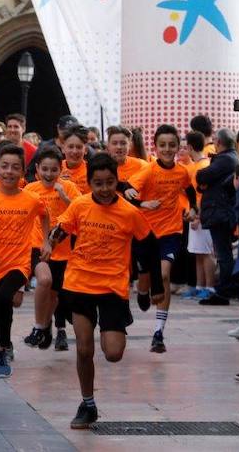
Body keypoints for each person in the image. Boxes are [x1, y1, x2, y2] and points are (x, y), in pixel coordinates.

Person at [42, 153, 161, 429]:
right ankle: (88, 404)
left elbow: (150, 246)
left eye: (109, 182)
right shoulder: (80, 205)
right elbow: (63, 227)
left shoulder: (130, 212)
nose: (104, 189)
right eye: (98, 183)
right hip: (79, 284)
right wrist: (51, 242)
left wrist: (154, 286)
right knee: (84, 349)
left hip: (112, 288)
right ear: (90, 183)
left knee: (113, 354)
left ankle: (111, 340)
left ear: (117, 181)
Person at [0, 143, 48, 380]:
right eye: (5, 166)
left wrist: (47, 242)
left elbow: (45, 215)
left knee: (5, 299)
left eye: (15, 167)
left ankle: (2, 349)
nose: (9, 171)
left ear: (23, 171)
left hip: (18, 264)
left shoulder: (32, 199)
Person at [124, 125, 197, 353]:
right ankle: (143, 291)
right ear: (155, 146)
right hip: (145, 233)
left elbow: (190, 190)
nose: (167, 149)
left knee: (164, 275)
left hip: (171, 232)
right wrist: (142, 203)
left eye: (171, 145)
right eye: (162, 145)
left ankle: (158, 332)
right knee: (145, 279)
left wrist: (193, 208)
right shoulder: (149, 170)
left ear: (178, 147)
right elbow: (127, 190)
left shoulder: (182, 171)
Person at [22, 148, 80, 351]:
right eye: (44, 169)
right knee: (44, 281)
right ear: (37, 169)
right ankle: (40, 326)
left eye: (53, 169)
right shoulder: (30, 189)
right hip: (37, 245)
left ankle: (45, 328)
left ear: (60, 168)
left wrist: (64, 197)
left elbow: (83, 212)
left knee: (54, 295)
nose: (49, 174)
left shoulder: (69, 187)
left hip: (64, 251)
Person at [197, 129, 239, 305]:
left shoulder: (225, 159)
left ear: (219, 142)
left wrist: (205, 182)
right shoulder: (232, 158)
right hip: (221, 211)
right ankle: (224, 289)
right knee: (223, 253)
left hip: (219, 212)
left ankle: (223, 293)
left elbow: (202, 175)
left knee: (222, 254)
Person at [182, 131, 215, 300]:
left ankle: (209, 288)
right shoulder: (198, 165)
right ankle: (199, 285)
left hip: (202, 216)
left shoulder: (203, 166)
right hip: (195, 215)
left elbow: (204, 195)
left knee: (206, 252)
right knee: (198, 252)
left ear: (189, 147)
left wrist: (198, 217)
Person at [26, 115, 80, 182]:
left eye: (73, 132)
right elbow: (30, 173)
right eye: (66, 132)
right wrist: (46, 180)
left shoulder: (84, 150)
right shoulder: (44, 147)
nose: (69, 135)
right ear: (58, 128)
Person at [59, 126, 91, 194]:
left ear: (86, 150)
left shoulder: (92, 171)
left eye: (79, 147)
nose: (74, 151)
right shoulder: (54, 169)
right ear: (63, 148)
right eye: (70, 147)